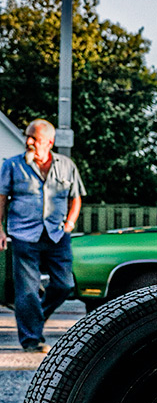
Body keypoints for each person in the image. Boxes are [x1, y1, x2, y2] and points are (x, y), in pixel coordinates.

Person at [0, 119, 85, 353]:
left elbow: (75, 197)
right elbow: (1, 197)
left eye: (34, 138)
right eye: (27, 136)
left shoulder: (66, 165)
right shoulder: (13, 166)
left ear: (49, 142)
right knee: (27, 290)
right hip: (24, 235)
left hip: (57, 234)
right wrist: (0, 228)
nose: (28, 141)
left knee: (64, 284)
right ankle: (31, 340)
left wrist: (70, 222)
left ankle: (33, 318)